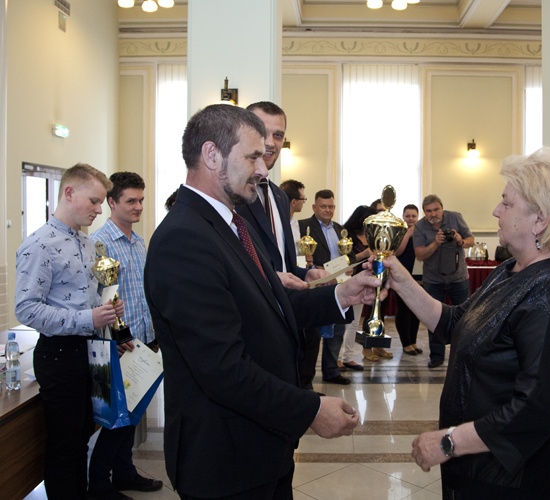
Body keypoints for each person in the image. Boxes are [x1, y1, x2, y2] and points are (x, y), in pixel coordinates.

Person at [144, 104, 380, 498]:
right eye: (252, 156)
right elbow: (222, 369)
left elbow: (270, 306)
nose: (263, 169)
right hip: (226, 460)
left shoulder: (231, 222)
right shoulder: (184, 239)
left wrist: (341, 295)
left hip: (262, 446)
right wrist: (309, 410)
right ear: (211, 154)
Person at [382, 147, 550, 499]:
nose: (495, 210)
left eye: (506, 202)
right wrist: (400, 279)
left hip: (518, 481)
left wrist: (449, 442)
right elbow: (456, 322)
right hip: (481, 468)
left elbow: (536, 407)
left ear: (541, 219)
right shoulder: (515, 269)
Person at [15, 163, 123, 499]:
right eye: (94, 201)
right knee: (64, 445)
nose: (99, 210)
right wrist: (89, 318)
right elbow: (27, 309)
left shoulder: (87, 243)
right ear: (69, 192)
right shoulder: (40, 245)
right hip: (60, 355)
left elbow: (89, 298)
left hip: (89, 351)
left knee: (81, 439)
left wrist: (108, 311)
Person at [89, 172, 163, 499]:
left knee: (132, 416)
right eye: (130, 201)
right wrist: (117, 337)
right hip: (119, 344)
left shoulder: (138, 241)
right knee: (116, 419)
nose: (138, 207)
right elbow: (102, 296)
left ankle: (124, 473)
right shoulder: (100, 243)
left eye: (141, 200)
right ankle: (99, 484)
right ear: (112, 202)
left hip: (143, 340)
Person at [236, 101, 326, 290]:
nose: (270, 142)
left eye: (278, 135)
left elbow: (282, 264)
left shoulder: (280, 197)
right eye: (262, 131)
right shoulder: (232, 195)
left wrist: (304, 274)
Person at [298, 190, 358, 385]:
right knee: (312, 335)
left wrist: (350, 266)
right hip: (315, 286)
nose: (327, 210)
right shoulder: (302, 227)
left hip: (338, 286)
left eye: (331, 206)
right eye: (323, 206)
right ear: (314, 207)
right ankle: (306, 379)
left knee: (337, 330)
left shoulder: (341, 229)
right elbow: (296, 256)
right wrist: (309, 267)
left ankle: (331, 371)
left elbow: (350, 256)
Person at [413, 194, 474, 368]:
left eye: (436, 209)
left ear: (442, 208)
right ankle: (437, 356)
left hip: (458, 278)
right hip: (433, 280)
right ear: (424, 212)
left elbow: (471, 241)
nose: (433, 214)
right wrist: (435, 243)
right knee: (434, 318)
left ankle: (463, 354)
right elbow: (420, 255)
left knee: (465, 318)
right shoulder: (419, 227)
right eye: (428, 211)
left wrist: (460, 240)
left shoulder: (455, 217)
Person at [339, 205, 377, 368]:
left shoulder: (371, 236)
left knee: (354, 322)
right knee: (342, 322)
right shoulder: (347, 234)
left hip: (364, 280)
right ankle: (338, 357)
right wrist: (364, 254)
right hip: (347, 280)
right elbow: (343, 260)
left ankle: (347, 357)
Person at [394, 204, 422, 356]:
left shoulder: (422, 231)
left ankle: (413, 341)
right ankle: (406, 343)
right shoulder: (399, 232)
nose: (411, 219)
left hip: (419, 275)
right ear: (403, 217)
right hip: (402, 274)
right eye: (408, 216)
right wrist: (408, 234)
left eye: (413, 216)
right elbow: (397, 252)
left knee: (416, 310)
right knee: (403, 309)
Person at [279, 178, 306, 254]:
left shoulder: (295, 222)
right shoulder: (277, 222)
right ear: (294, 202)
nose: (304, 202)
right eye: (303, 198)